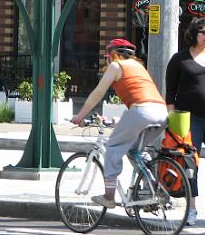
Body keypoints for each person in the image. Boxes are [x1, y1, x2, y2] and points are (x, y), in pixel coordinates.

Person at [71, 38, 167, 209]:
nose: (107, 60)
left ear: (112, 54)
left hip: (142, 112)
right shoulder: (139, 67)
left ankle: (109, 196)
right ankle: (152, 188)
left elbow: (97, 93)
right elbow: (138, 97)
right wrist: (118, 120)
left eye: (107, 56)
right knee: (135, 151)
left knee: (113, 148)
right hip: (161, 113)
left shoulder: (116, 66)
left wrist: (80, 116)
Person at [165, 17, 205, 226]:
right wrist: (174, 124)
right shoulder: (179, 59)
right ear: (194, 33)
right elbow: (170, 94)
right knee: (191, 165)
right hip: (190, 121)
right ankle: (191, 209)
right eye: (204, 33)